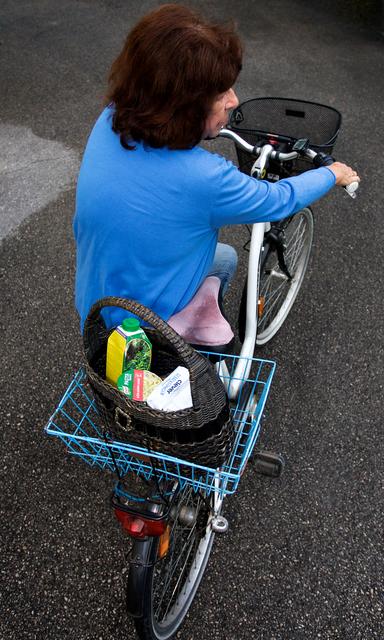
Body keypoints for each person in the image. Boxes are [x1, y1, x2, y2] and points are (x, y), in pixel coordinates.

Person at [73, 3, 360, 332]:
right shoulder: (204, 177)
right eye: (221, 92)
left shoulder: (110, 118)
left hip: (94, 308)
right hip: (147, 331)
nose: (234, 100)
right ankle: (199, 349)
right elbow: (279, 199)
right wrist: (331, 173)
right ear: (186, 105)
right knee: (226, 257)